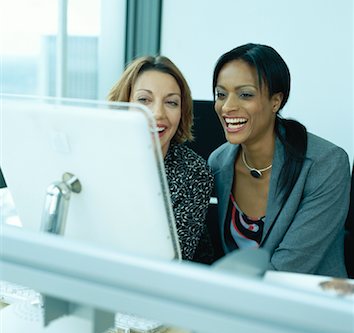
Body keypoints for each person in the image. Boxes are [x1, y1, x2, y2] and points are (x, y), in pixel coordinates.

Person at [208, 43, 351, 277]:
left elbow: (290, 267)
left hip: (309, 306)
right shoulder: (219, 163)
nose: (227, 106)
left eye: (245, 95)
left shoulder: (325, 164)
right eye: (221, 94)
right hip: (238, 302)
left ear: (276, 101)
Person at [108, 55, 214, 262]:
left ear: (181, 112)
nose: (158, 113)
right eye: (144, 100)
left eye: (171, 102)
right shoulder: (101, 161)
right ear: (124, 104)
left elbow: (172, 260)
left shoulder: (194, 173)